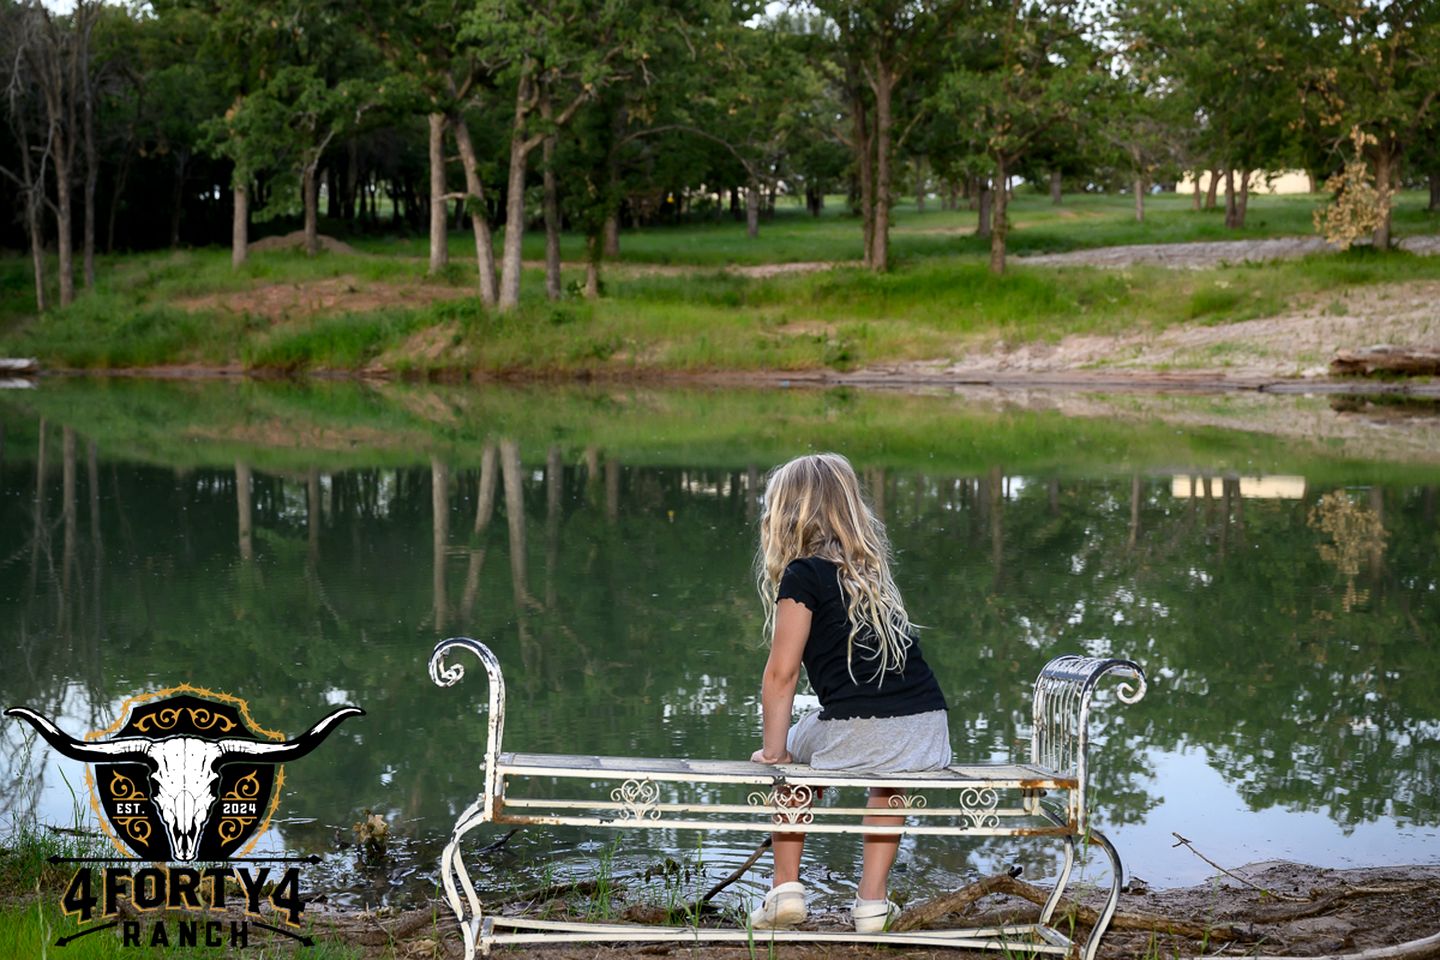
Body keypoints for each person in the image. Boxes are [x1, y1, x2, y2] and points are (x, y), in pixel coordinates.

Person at [747, 452, 951, 933]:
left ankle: (785, 890)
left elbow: (781, 675)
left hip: (864, 729)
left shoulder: (803, 575)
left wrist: (775, 754)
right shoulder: (869, 574)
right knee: (890, 780)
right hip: (926, 729)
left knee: (793, 760)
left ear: (787, 514)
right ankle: (872, 904)